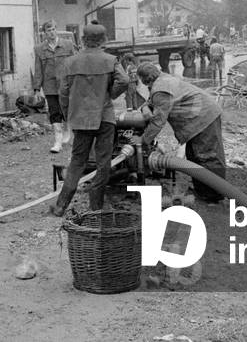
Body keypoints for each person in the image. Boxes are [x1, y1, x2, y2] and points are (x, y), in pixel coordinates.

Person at [49, 24, 129, 216]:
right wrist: (110, 94)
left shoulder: (70, 62)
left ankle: (61, 206)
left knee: (77, 161)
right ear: (104, 40)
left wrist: (70, 115)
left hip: (81, 119)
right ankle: (96, 207)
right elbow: (124, 81)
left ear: (83, 40)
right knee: (103, 163)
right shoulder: (111, 60)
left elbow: (63, 94)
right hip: (105, 118)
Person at [137, 63, 227, 203]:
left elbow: (158, 122)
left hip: (203, 116)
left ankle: (214, 195)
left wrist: (142, 141)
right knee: (193, 156)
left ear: (143, 79)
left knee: (207, 156)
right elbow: (151, 101)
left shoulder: (160, 89)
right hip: (198, 115)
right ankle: (203, 191)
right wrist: (145, 108)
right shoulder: (162, 79)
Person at [33, 20, 77, 153]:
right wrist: (36, 89)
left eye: (53, 29)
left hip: (66, 85)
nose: (51, 32)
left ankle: (68, 132)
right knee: (54, 112)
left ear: (56, 30)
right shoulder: (40, 49)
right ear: (44, 33)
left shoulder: (68, 45)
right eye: (48, 30)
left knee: (68, 111)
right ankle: (57, 141)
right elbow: (38, 69)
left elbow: (75, 64)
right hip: (50, 86)